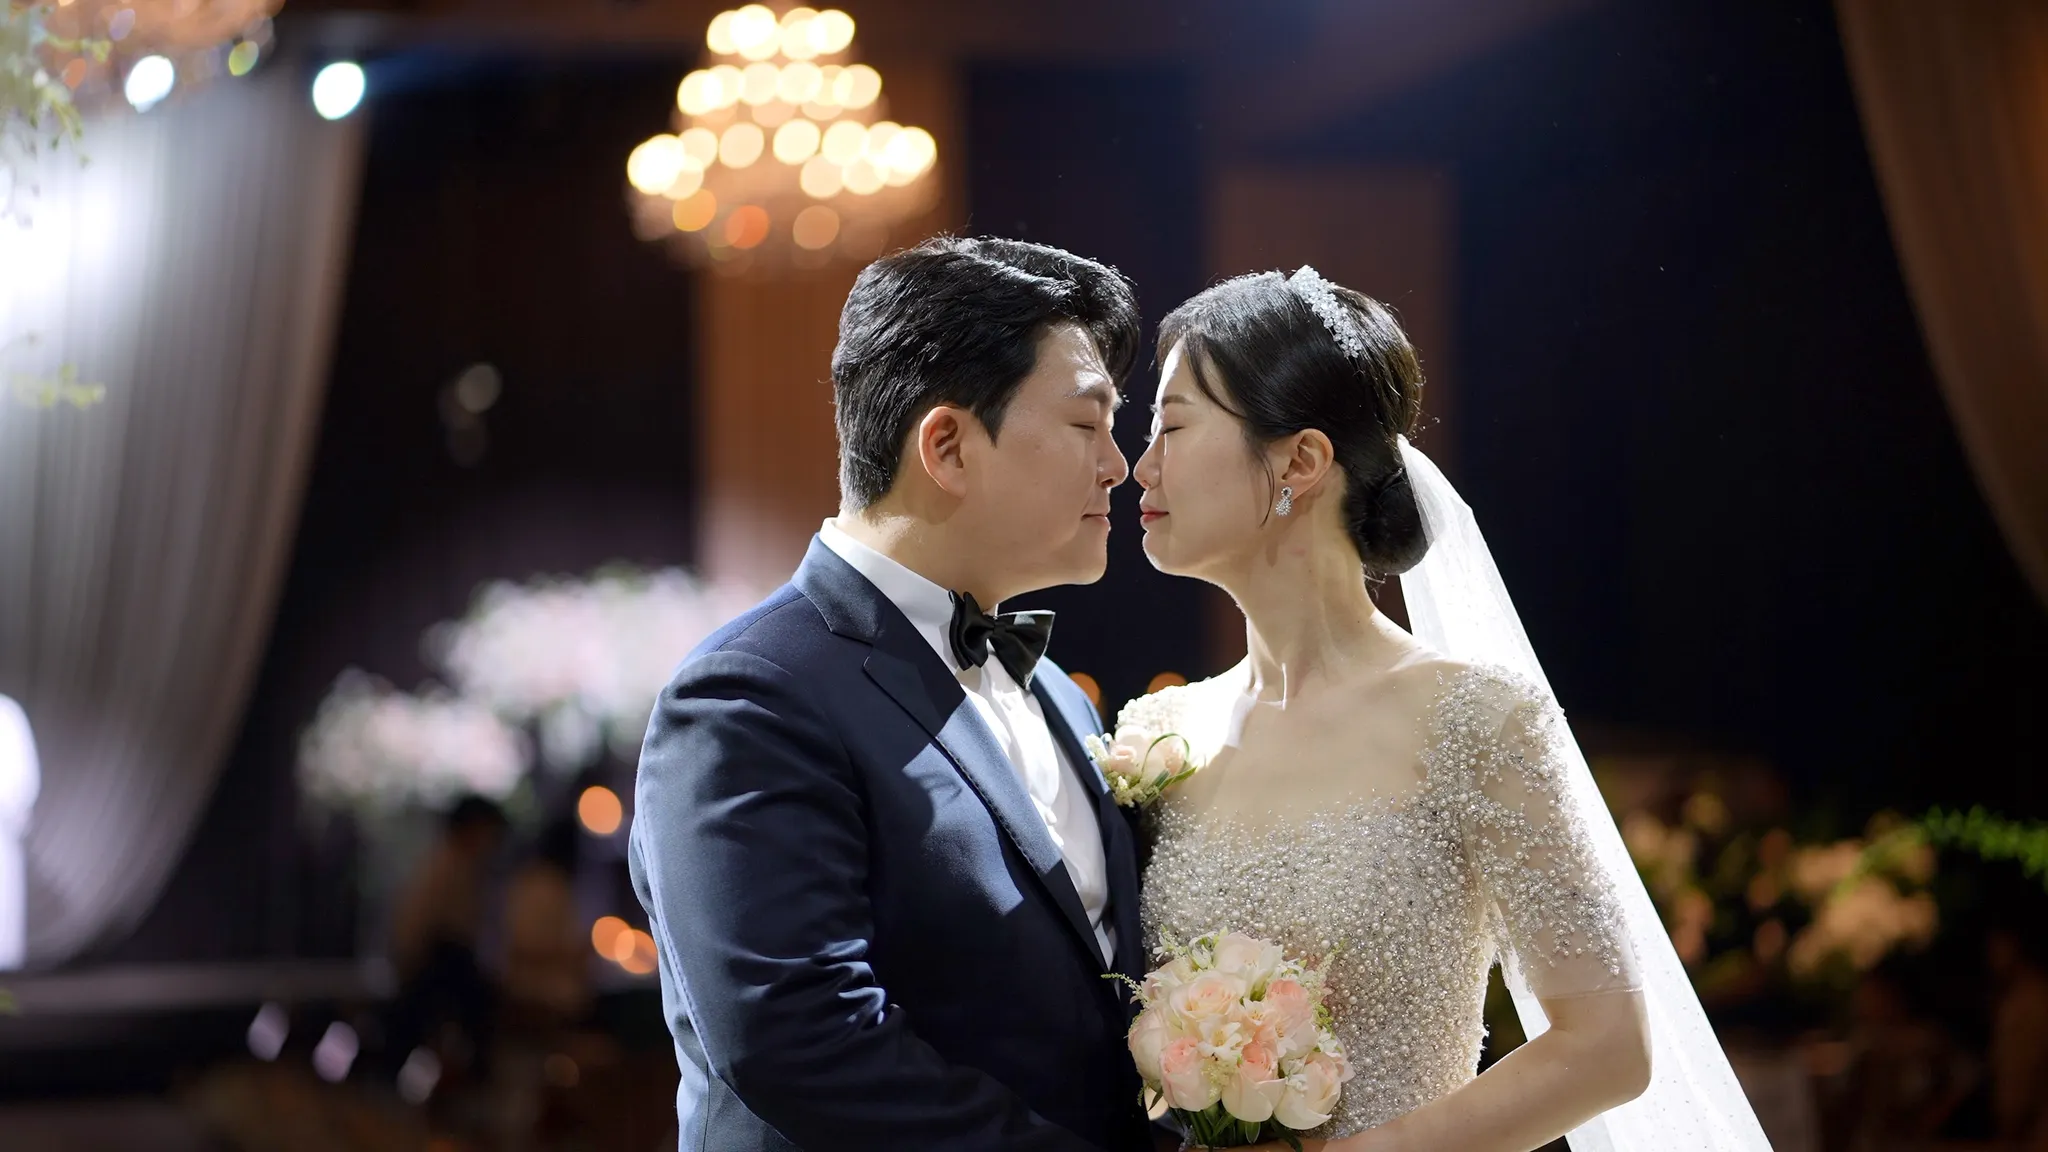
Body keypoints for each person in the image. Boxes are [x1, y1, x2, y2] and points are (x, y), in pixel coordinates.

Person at [1118, 268, 1767, 1150]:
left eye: (1172, 426)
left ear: (1300, 462)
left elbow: (1608, 1047)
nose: (1141, 465)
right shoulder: (1163, 735)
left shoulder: (1475, 720)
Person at [630, 236, 1152, 1151]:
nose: (1119, 464)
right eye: (1086, 424)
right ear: (946, 446)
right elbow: (799, 1041)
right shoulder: (753, 695)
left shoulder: (1061, 696)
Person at [386, 793, 506, 1081]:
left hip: (436, 962)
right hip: (431, 964)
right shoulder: (446, 866)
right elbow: (423, 927)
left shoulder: (458, 866)